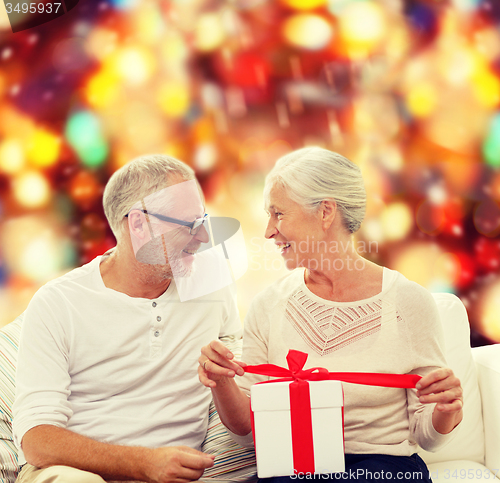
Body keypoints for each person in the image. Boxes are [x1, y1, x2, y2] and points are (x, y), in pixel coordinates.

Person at [199, 147, 463, 482]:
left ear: (325, 212)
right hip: (294, 470)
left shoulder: (408, 302)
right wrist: (221, 380)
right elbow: (248, 432)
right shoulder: (268, 304)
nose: (268, 231)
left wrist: (446, 409)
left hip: (382, 470)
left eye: (279, 214)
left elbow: (427, 435)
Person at [13, 154, 242, 483]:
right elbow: (37, 440)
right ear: (138, 224)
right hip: (74, 473)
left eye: (203, 221)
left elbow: (243, 414)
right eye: (189, 225)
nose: (204, 238)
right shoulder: (58, 303)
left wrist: (222, 378)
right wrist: (143, 463)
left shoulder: (212, 283)